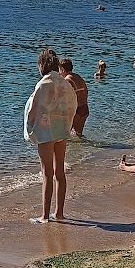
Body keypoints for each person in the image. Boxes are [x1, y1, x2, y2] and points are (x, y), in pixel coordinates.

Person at [23, 48, 77, 223]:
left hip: (46, 131)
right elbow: (72, 105)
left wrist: (30, 127)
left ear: (42, 65)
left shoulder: (43, 84)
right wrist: (67, 124)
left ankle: (45, 216)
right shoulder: (64, 83)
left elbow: (32, 108)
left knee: (47, 173)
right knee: (59, 172)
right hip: (61, 129)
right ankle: (59, 213)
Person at [59, 58, 90, 138]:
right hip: (85, 109)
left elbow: (64, 98)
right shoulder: (78, 77)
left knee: (64, 135)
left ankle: (69, 150)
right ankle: (83, 150)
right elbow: (86, 91)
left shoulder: (67, 80)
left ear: (62, 69)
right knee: (78, 135)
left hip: (76, 111)